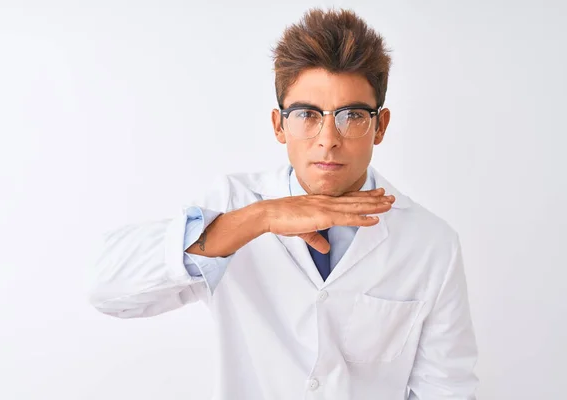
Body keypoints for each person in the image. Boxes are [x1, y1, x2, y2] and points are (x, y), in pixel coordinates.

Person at [88, 7, 478, 400]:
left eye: (352, 116)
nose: (328, 138)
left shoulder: (430, 244)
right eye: (307, 114)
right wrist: (260, 218)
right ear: (279, 125)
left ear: (380, 125)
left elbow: (446, 390)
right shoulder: (235, 204)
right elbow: (106, 287)